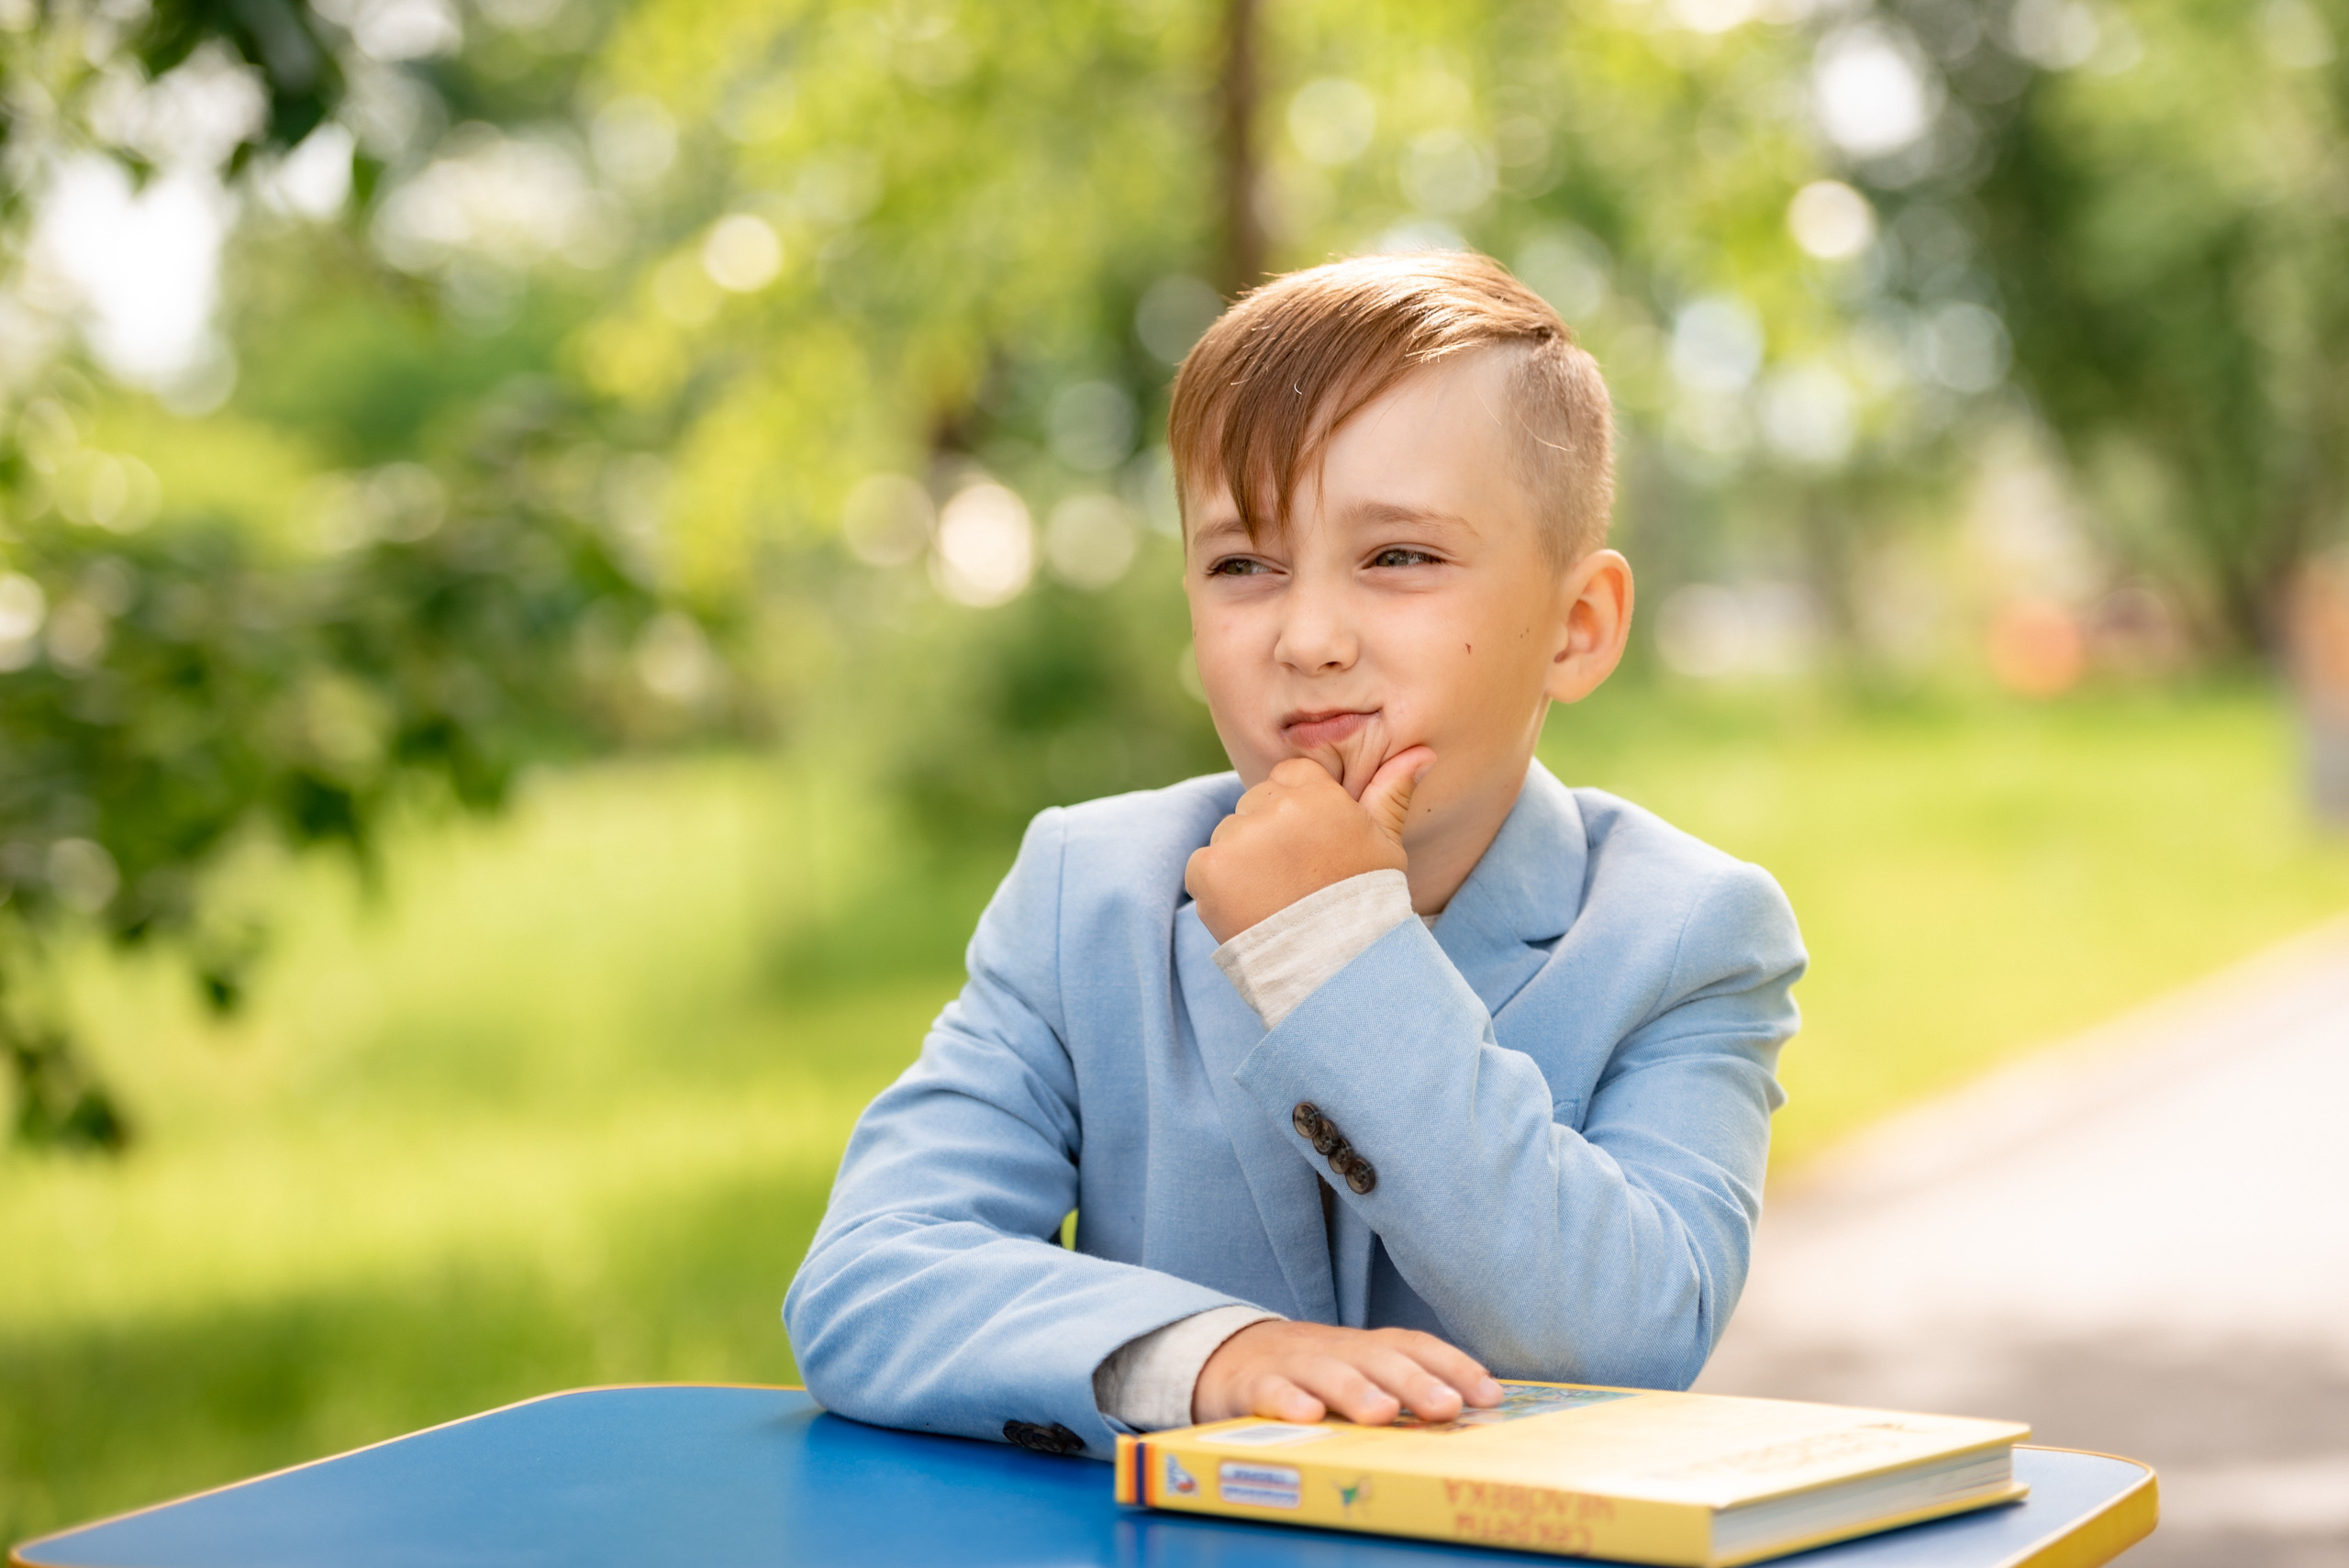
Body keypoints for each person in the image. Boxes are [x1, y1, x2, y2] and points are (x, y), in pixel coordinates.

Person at [784, 251, 1806, 1460]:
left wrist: (1333, 954)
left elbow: (1629, 1331)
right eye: (1243, 566)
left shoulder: (1689, 935)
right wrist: (1214, 1355)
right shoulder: (1085, 889)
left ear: (1576, 630)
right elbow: (868, 1278)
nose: (1308, 637)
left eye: (1398, 557)